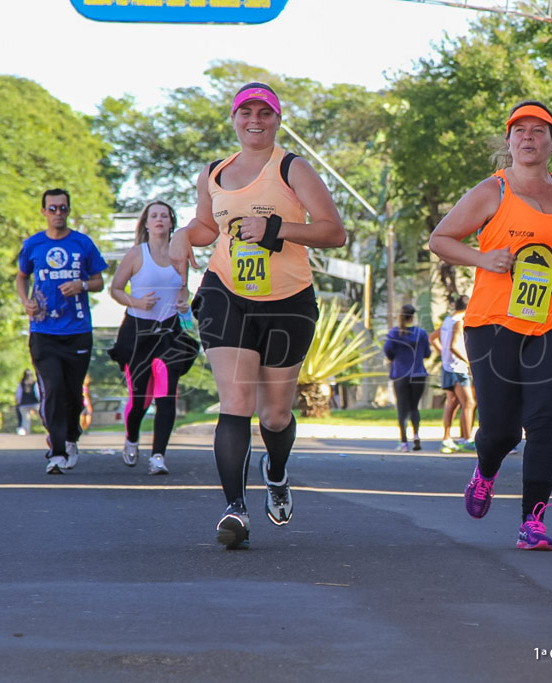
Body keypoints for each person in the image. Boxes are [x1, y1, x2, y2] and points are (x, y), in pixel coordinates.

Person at [170, 82, 346, 549]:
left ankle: (277, 472)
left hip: (288, 300)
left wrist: (276, 229)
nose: (254, 120)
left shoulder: (292, 168)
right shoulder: (213, 171)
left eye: (264, 113)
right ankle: (235, 509)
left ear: (276, 119)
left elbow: (333, 232)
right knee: (236, 402)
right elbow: (208, 227)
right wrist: (183, 236)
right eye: (245, 112)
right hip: (227, 292)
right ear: (233, 119)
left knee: (274, 414)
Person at [428, 100, 552, 551]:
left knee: (545, 420)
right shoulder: (492, 191)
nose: (528, 137)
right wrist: (482, 258)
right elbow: (440, 239)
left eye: (538, 130)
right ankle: (486, 471)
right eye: (519, 130)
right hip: (493, 323)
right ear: (509, 141)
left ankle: (533, 522)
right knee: (501, 430)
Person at [16, 188, 107, 474]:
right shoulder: (33, 245)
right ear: (43, 211)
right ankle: (56, 452)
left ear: (69, 211)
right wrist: (25, 301)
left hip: (78, 329)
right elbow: (22, 277)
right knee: (53, 389)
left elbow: (99, 282)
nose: (58, 213)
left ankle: (71, 438)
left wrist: (81, 285)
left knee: (72, 393)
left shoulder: (82, 243)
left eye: (63, 208)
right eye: (53, 208)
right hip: (43, 330)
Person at [108, 200, 199, 475]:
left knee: (166, 396)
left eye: (164, 215)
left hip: (169, 333)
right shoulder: (137, 254)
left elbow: (183, 291)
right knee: (140, 400)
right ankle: (132, 439)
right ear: (146, 223)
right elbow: (115, 289)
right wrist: (136, 301)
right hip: (138, 332)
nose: (159, 219)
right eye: (153, 216)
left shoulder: (180, 254)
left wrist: (184, 303)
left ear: (171, 222)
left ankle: (158, 456)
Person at [428, 294, 476, 453]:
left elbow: (432, 338)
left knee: (453, 403)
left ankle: (447, 439)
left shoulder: (448, 321)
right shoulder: (458, 322)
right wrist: (468, 362)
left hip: (448, 367)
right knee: (469, 403)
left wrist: (443, 355)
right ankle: (467, 439)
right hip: (458, 368)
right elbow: (454, 346)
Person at [383, 304, 431, 452]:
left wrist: (396, 358)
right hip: (418, 374)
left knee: (402, 409)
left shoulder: (394, 333)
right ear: (413, 316)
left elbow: (388, 351)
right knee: (414, 407)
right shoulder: (421, 333)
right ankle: (416, 435)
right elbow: (427, 353)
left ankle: (404, 443)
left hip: (400, 374)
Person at [15, 369, 40, 436]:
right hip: (35, 404)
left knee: (25, 420)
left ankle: (26, 434)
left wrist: (18, 402)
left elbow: (18, 395)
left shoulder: (21, 384)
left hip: (24, 404)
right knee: (42, 417)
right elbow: (37, 394)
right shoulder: (34, 383)